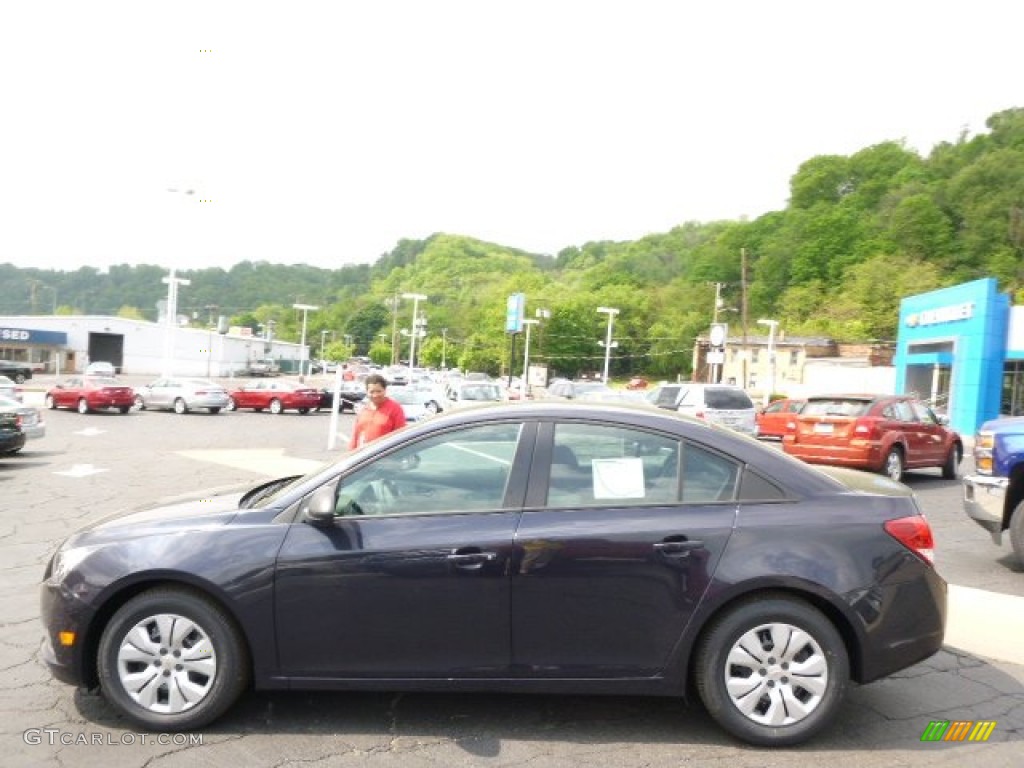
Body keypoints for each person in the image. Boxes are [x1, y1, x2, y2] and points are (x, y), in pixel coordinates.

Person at [348, 373, 407, 449]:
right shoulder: (364, 410)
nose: (375, 395)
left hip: (384, 456)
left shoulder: (395, 409)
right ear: (367, 392)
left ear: (385, 390)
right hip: (364, 455)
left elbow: (400, 436)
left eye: (379, 391)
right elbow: (355, 436)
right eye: (372, 392)